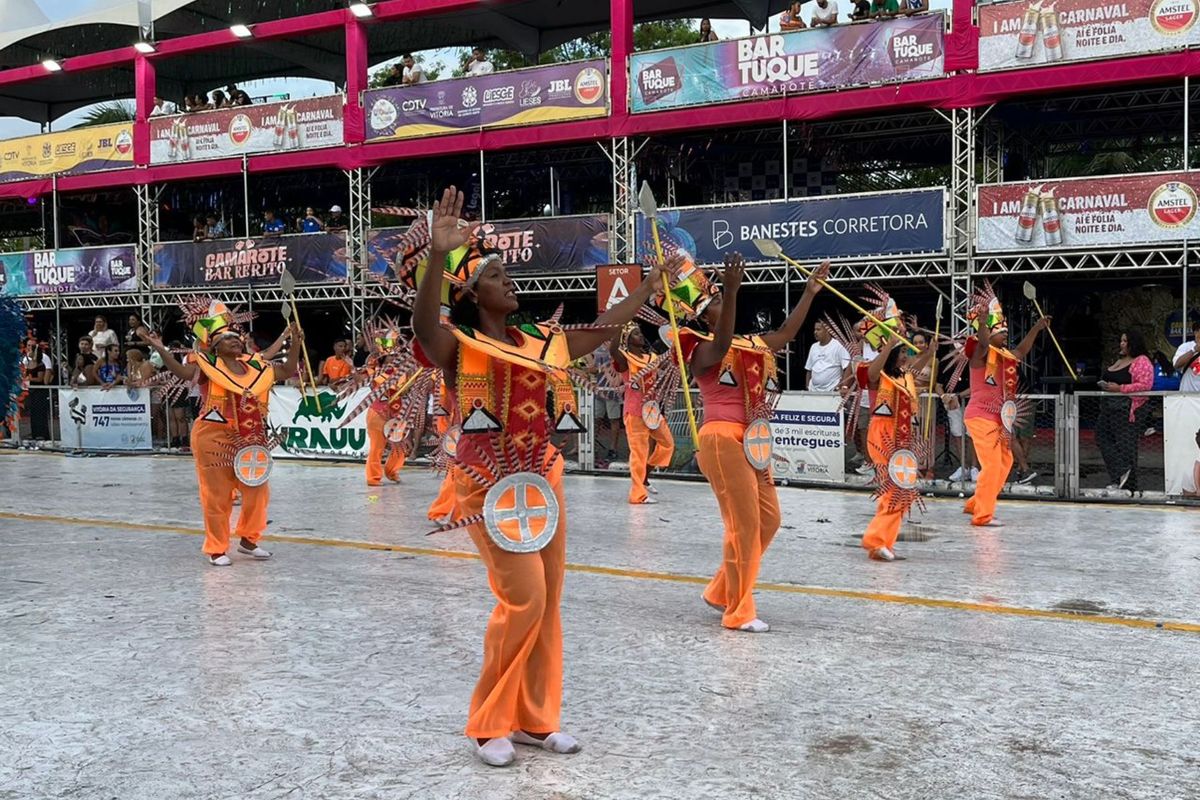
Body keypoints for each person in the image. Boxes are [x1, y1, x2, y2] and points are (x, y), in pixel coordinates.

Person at [411, 186, 666, 767]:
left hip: (542, 479)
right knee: (522, 597)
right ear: (474, 295)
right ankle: (487, 724)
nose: (510, 282)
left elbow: (603, 328)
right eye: (497, 276)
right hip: (486, 483)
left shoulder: (544, 343)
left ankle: (534, 718)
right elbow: (426, 327)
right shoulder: (460, 345)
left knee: (548, 600)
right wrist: (436, 259)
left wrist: (647, 290)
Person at [664, 253, 828, 633]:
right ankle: (738, 611)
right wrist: (733, 293)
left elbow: (786, 334)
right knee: (743, 525)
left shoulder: (751, 344)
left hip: (753, 442)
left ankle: (722, 589)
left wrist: (809, 291)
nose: (725, 302)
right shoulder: (699, 347)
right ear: (704, 315)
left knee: (769, 520)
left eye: (725, 297)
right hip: (721, 438)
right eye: (718, 301)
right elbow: (721, 347)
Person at [137, 304, 303, 566]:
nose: (235, 341)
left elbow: (285, 369)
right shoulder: (207, 366)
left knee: (258, 492)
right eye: (228, 338)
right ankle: (217, 548)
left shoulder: (256, 367)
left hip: (251, 437)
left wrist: (294, 344)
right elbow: (181, 373)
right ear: (215, 346)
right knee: (217, 496)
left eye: (236, 337)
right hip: (213, 438)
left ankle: (249, 540)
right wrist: (160, 348)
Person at [960, 286, 1052, 527]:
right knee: (991, 465)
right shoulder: (980, 354)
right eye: (1001, 332)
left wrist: (1037, 327)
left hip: (997, 418)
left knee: (1006, 461)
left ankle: (975, 504)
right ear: (990, 335)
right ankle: (983, 515)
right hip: (980, 416)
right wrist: (982, 324)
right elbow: (981, 343)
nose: (1006, 335)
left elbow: (1021, 350)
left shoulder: (1005, 357)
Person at [859, 318, 935, 561]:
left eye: (905, 350)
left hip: (903, 436)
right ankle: (875, 540)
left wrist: (930, 354)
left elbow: (915, 364)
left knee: (902, 491)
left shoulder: (904, 376)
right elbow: (871, 374)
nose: (905, 355)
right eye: (901, 350)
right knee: (893, 489)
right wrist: (889, 343)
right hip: (882, 434)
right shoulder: (877, 374)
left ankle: (883, 543)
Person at [610, 323, 674, 505]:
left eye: (640, 333)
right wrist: (617, 327)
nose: (641, 336)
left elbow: (670, 359)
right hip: (635, 412)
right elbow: (613, 351)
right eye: (636, 333)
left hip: (652, 412)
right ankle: (637, 494)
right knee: (639, 453)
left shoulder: (652, 357)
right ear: (628, 339)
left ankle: (645, 476)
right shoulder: (625, 360)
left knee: (667, 444)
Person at [1097, 331, 1155, 492]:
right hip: (1109, 406)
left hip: (1126, 406)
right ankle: (1120, 472)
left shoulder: (1141, 361)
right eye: (1121, 340)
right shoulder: (1121, 360)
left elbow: (1145, 385)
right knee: (1101, 436)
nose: (1121, 344)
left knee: (1126, 445)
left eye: (1125, 341)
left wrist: (1120, 388)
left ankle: (1129, 485)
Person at [589, 345, 624, 461]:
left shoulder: (619, 349)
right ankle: (593, 446)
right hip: (599, 390)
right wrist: (601, 369)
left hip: (613, 392)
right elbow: (592, 369)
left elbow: (621, 371)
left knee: (614, 419)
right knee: (596, 419)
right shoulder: (597, 349)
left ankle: (613, 448)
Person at [805, 320, 851, 391]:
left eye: (818, 329)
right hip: (813, 391)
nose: (815, 332)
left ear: (827, 330)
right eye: (815, 329)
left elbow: (847, 368)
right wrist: (808, 387)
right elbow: (809, 369)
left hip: (832, 391)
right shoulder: (813, 347)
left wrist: (841, 387)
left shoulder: (839, 345)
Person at [1173, 321, 1200, 392]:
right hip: (1187, 395)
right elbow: (1176, 364)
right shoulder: (1185, 346)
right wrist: (1194, 350)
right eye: (1196, 330)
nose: (1198, 332)